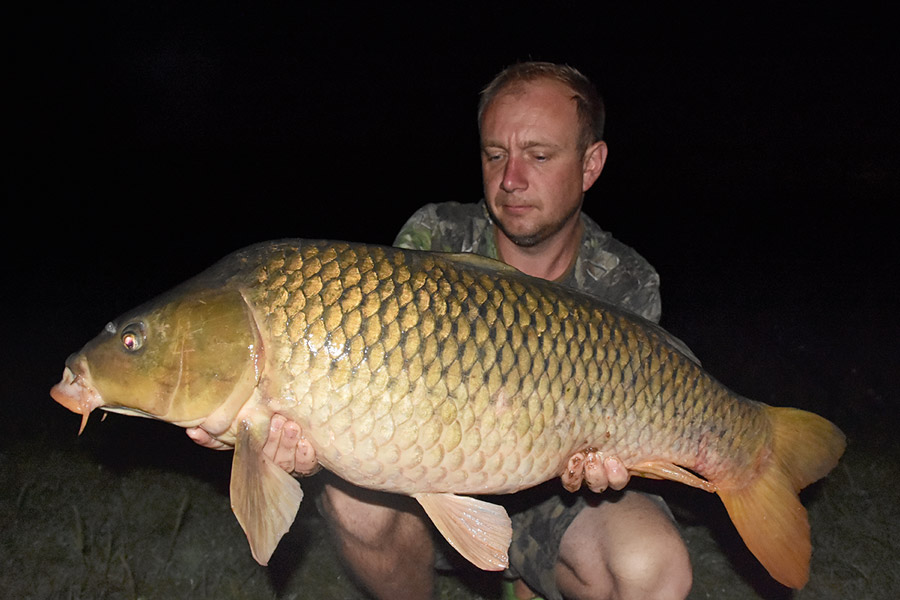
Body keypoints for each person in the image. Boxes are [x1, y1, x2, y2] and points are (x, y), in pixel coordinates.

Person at [188, 62, 692, 600]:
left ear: (591, 164)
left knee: (655, 568)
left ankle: (530, 578)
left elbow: (628, 436)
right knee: (353, 500)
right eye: (494, 155)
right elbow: (365, 388)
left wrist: (609, 460)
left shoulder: (626, 279)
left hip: (559, 499)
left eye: (538, 156)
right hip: (432, 481)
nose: (510, 179)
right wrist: (312, 439)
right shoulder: (436, 237)